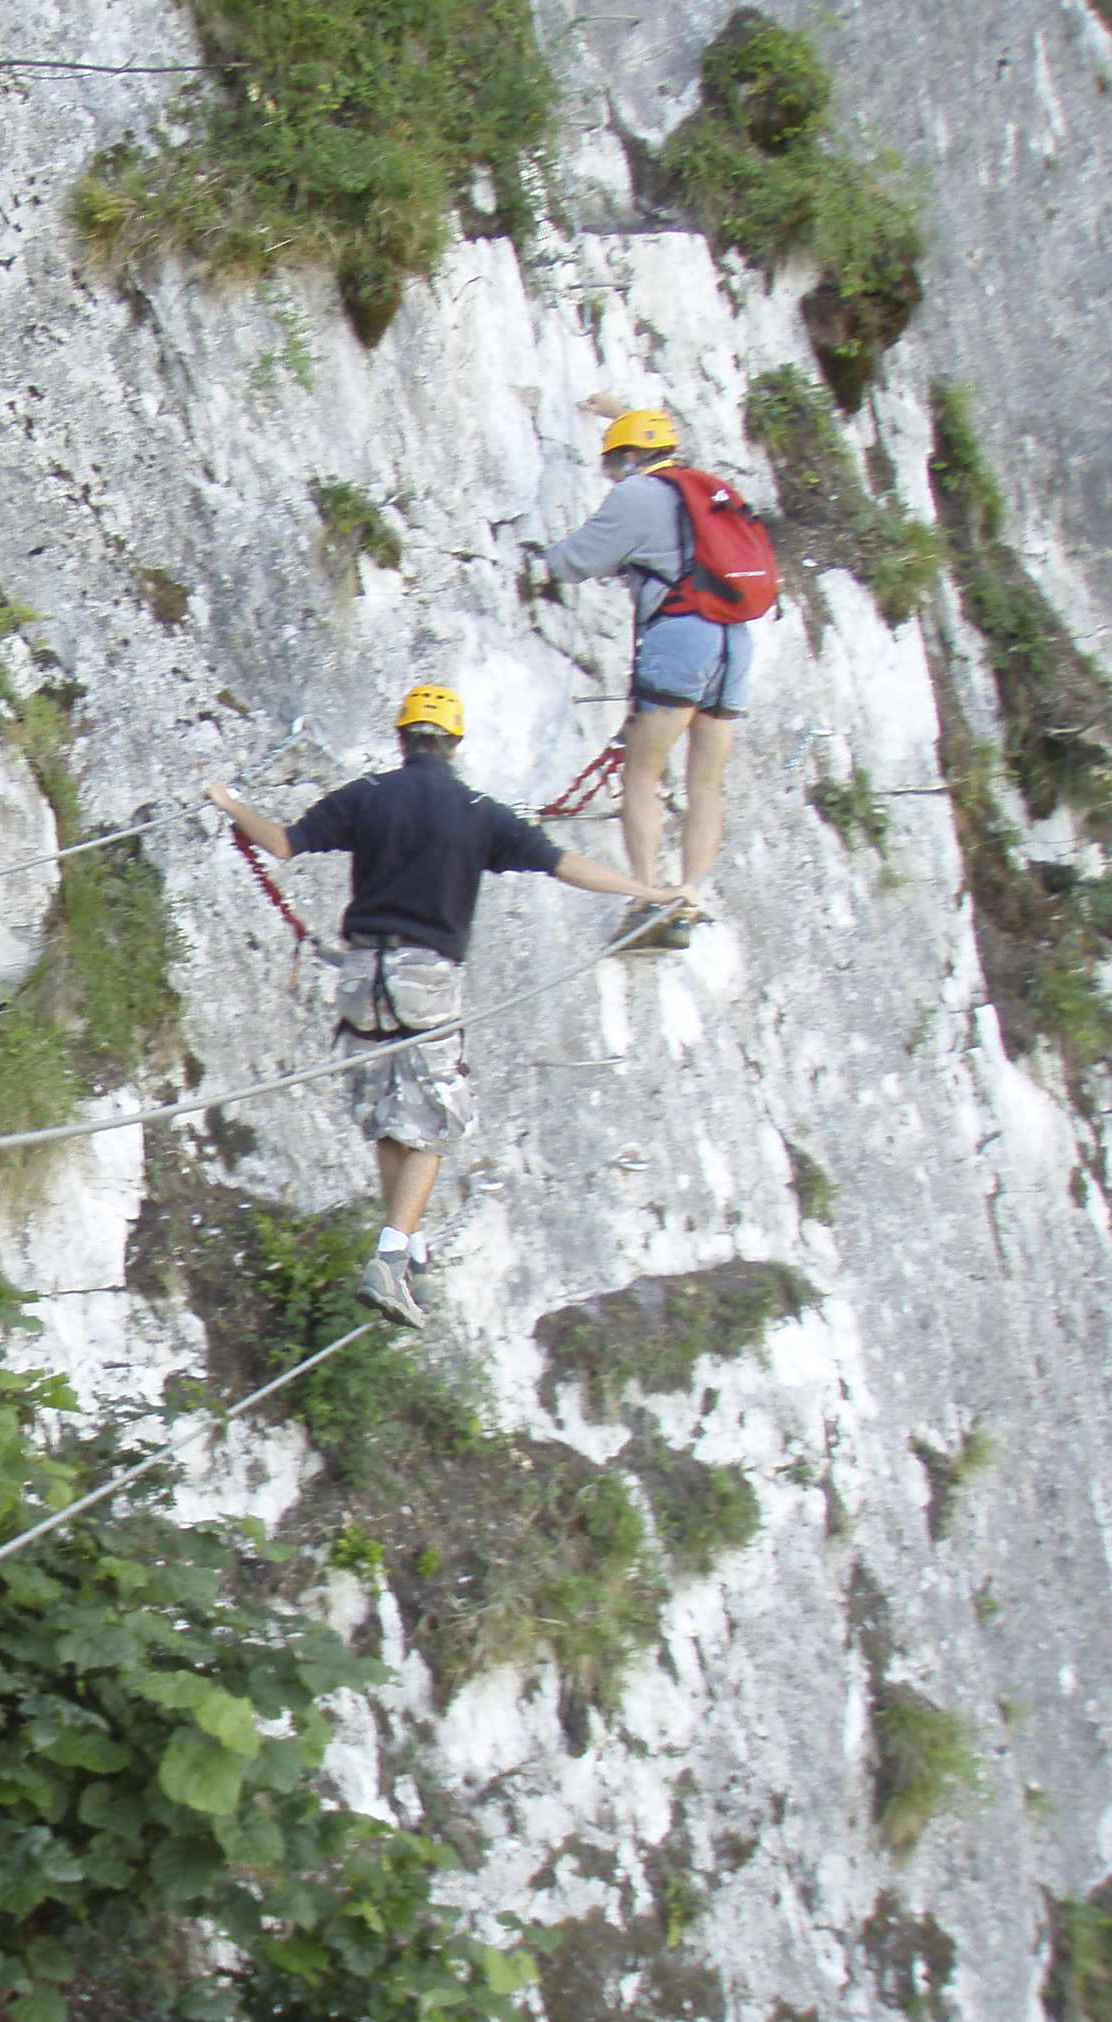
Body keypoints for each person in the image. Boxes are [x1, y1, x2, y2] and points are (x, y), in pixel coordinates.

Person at [203, 685, 687, 1331]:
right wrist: (647, 888)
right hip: (423, 976)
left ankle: (409, 1254)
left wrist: (229, 803)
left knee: (387, 1113)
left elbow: (284, 843)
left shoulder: (368, 794)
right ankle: (393, 1254)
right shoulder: (479, 811)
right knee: (437, 1118)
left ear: (403, 738)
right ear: (455, 744)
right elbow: (563, 863)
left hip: (360, 978)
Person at [538, 397, 746, 950]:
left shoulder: (638, 493)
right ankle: (691, 898)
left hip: (681, 635)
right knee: (706, 783)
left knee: (642, 774)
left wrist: (537, 563)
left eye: (611, 463)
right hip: (735, 638)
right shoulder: (705, 489)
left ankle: (649, 900)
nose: (609, 474)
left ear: (630, 458)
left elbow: (574, 561)